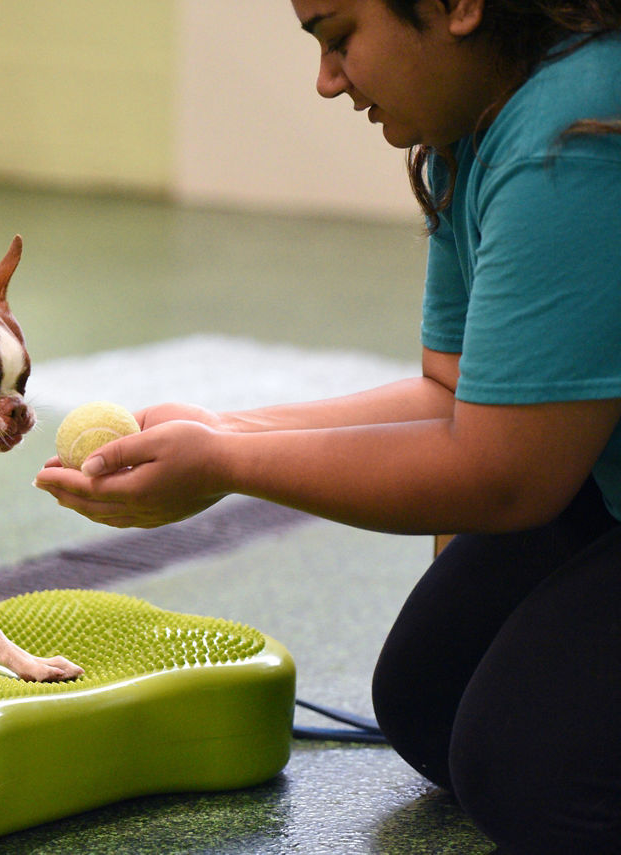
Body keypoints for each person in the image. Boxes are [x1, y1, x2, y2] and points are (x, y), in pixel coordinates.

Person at [35, 1, 621, 851]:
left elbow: (504, 472)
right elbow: (450, 395)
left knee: (532, 777)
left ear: (459, 6)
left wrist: (227, 465)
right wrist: (224, 429)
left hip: (556, 476)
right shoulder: (475, 123)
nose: (326, 80)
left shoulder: (568, 133)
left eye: (340, 37)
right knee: (428, 698)